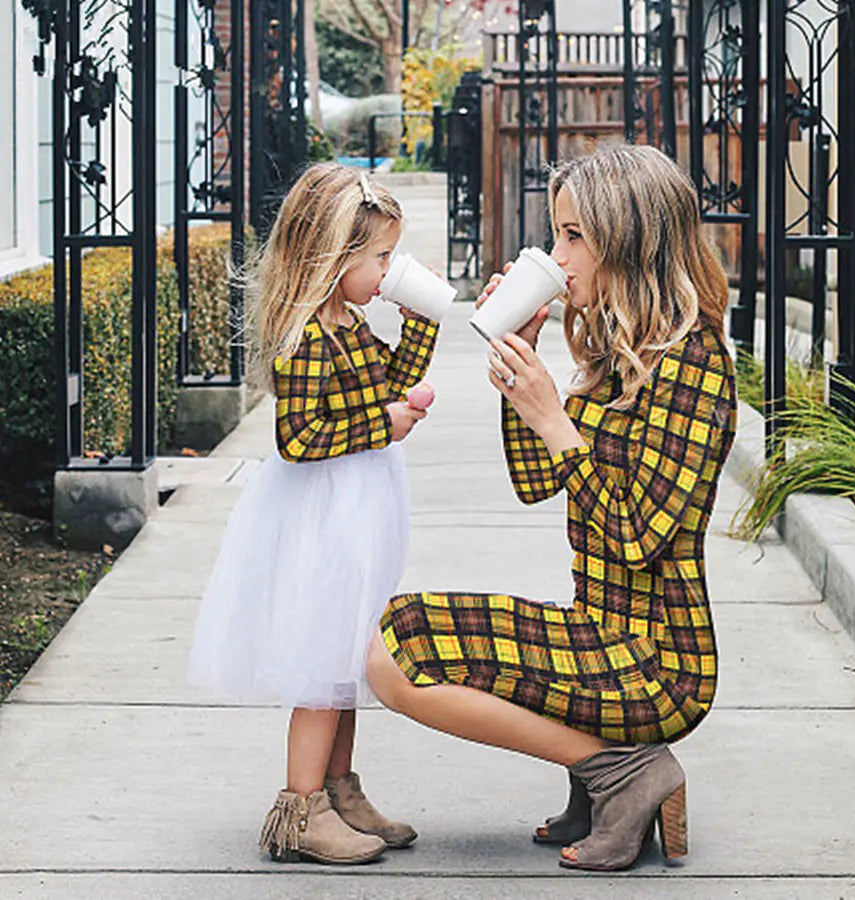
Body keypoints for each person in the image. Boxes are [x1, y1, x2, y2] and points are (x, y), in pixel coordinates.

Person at [366, 143, 737, 872]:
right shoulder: (620, 351)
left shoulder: (694, 365)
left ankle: (623, 772)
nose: (556, 256)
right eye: (556, 234)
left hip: (657, 663)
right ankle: (603, 769)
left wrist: (554, 420)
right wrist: (522, 375)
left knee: (395, 660)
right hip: (600, 631)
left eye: (573, 236)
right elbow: (537, 482)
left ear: (628, 242)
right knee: (393, 631)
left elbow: (638, 539)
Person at [187, 163, 441, 865]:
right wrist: (384, 425)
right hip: (325, 513)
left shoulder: (349, 321)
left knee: (346, 658)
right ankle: (300, 811)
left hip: (357, 506)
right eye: (381, 257)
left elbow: (390, 380)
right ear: (334, 256)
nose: (388, 271)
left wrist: (420, 324)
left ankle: (340, 791)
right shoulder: (306, 338)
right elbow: (297, 439)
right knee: (322, 662)